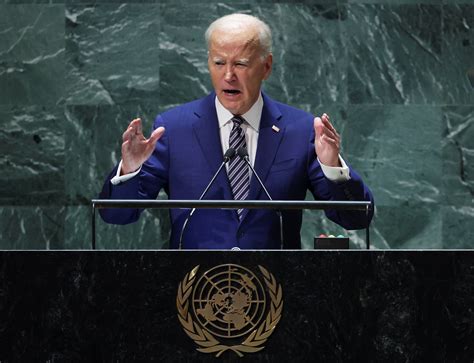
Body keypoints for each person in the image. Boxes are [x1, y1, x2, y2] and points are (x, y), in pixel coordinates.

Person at [99, 13, 374, 249]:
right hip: (194, 292)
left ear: (266, 66)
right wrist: (130, 169)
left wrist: (332, 167)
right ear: (208, 63)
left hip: (274, 292)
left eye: (241, 64)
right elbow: (116, 215)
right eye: (219, 63)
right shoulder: (174, 128)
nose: (228, 75)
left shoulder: (300, 130)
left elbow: (356, 218)